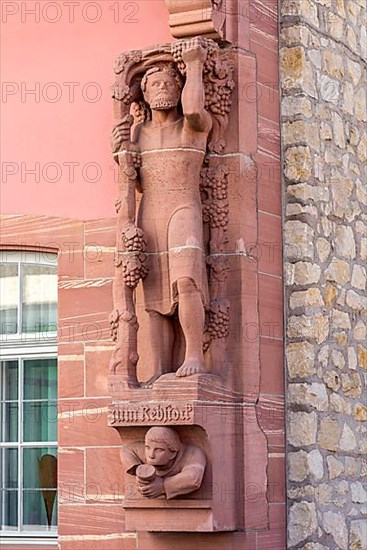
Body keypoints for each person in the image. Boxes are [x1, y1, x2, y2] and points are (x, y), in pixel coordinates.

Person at [111, 38, 212, 381]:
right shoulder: (139, 133)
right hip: (150, 210)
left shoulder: (192, 125)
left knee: (187, 280)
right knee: (153, 300)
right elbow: (133, 180)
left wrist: (195, 64)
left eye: (169, 82)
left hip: (184, 206)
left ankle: (195, 354)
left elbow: (196, 109)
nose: (162, 88)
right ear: (145, 94)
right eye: (155, 84)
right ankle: (161, 370)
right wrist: (121, 152)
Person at [121, 426, 206, 499]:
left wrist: (162, 486)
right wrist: (139, 472)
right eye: (147, 447)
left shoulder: (192, 453)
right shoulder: (144, 451)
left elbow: (193, 479)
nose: (151, 455)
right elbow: (127, 449)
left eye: (159, 450)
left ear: (172, 452)